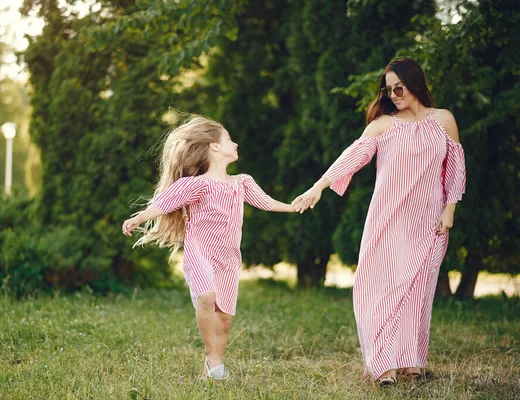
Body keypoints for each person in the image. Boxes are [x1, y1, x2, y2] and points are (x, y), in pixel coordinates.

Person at [292, 58, 466, 386]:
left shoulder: (444, 120)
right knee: (380, 289)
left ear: (416, 84)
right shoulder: (383, 124)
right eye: (388, 89)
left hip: (429, 220)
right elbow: (351, 158)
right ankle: (383, 365)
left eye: (399, 87)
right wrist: (318, 187)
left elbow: (455, 167)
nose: (394, 94)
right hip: (387, 218)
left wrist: (450, 209)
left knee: (418, 289)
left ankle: (412, 362)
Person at [122, 115, 296, 382]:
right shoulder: (196, 185)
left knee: (224, 317)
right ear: (214, 146)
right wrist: (139, 218)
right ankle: (211, 357)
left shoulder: (242, 183)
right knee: (206, 297)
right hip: (200, 251)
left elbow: (267, 202)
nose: (236, 143)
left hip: (228, 257)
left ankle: (211, 371)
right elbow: (164, 203)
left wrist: (294, 206)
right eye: (229, 139)